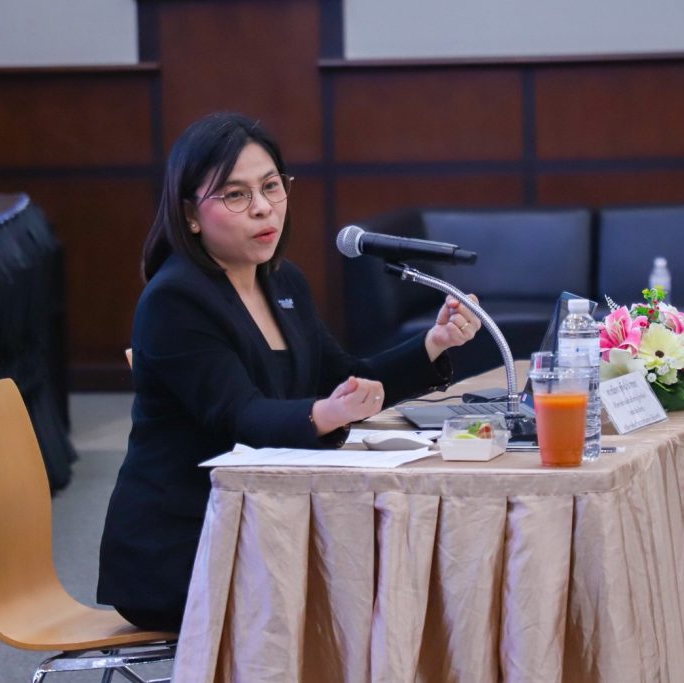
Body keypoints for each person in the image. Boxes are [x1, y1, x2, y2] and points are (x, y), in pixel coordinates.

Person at [97, 112, 482, 632]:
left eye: (271, 186)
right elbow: (240, 416)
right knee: (378, 587)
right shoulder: (175, 300)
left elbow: (348, 378)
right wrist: (325, 413)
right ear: (190, 214)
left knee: (408, 570)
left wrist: (434, 344)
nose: (262, 207)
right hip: (183, 548)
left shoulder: (283, 282)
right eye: (236, 195)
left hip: (263, 526)